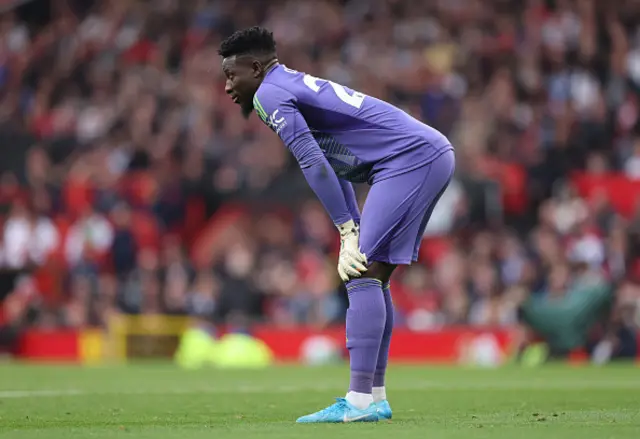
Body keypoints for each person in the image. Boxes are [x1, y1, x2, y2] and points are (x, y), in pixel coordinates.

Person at [219, 26, 455, 423]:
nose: (227, 87)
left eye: (231, 75)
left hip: (408, 160)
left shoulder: (268, 95)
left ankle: (359, 401)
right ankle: (374, 397)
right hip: (420, 154)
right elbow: (335, 164)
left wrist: (347, 230)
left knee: (359, 271)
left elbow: (313, 163)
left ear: (255, 68)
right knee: (374, 273)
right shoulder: (287, 83)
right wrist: (352, 224)